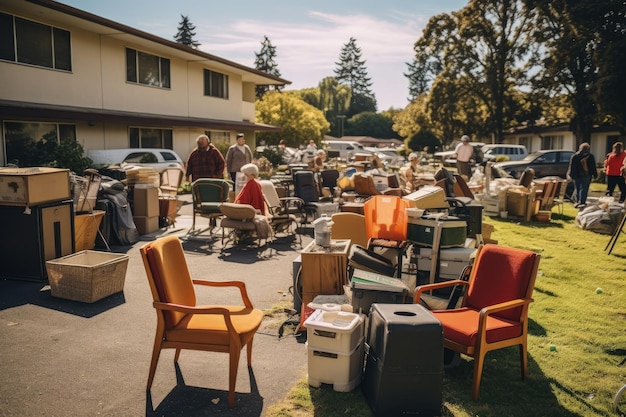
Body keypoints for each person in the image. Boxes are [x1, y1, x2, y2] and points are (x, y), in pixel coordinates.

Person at [567, 142, 597, 208]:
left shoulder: (575, 156)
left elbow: (571, 166)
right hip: (586, 175)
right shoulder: (590, 156)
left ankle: (577, 201)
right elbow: (593, 167)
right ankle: (582, 202)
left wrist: (571, 175)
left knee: (577, 189)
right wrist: (595, 174)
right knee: (584, 189)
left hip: (576, 176)